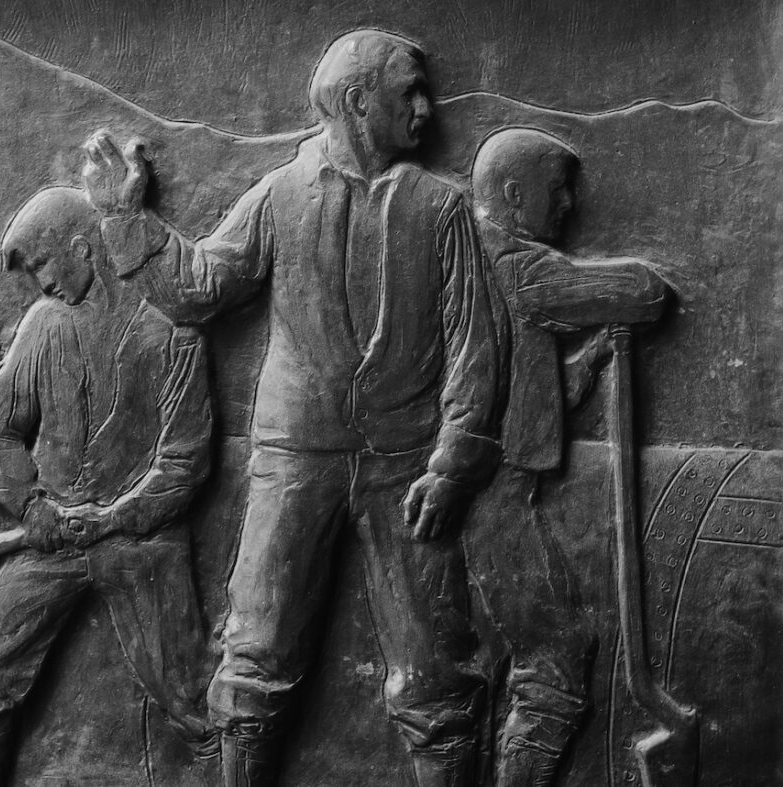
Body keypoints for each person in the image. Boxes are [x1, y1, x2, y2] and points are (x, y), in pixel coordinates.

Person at [80, 29, 508, 787]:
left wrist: (453, 464)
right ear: (355, 101)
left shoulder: (438, 209)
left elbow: (476, 345)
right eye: (407, 91)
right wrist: (127, 222)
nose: (425, 108)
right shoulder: (281, 194)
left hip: (407, 470)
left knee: (438, 673)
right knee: (254, 658)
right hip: (294, 459)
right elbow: (200, 289)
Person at [0, 186, 218, 786]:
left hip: (143, 546)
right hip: (52, 541)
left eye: (41, 265)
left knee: (198, 705)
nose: (39, 283)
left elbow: (184, 464)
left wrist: (115, 517)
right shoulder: (43, 328)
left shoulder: (173, 335)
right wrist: (30, 503)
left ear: (84, 249)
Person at [469, 127, 670, 786]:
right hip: (491, 502)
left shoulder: (461, 261)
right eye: (557, 190)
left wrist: (589, 360)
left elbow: (521, 390)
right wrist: (624, 302)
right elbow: (643, 292)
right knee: (555, 660)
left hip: (484, 492)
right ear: (513, 191)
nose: (568, 207)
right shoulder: (514, 264)